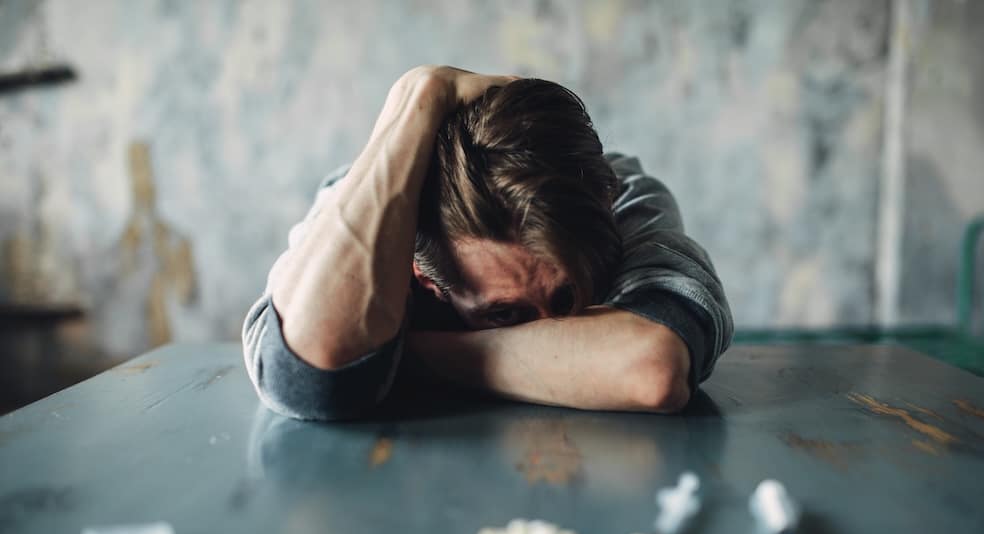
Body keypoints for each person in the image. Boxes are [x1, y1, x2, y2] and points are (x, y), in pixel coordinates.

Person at [242, 65, 733, 420]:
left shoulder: (619, 192)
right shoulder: (362, 220)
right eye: (505, 313)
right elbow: (307, 380)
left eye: (566, 296)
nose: (551, 330)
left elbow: (652, 369)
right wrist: (422, 92)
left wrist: (398, 360)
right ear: (421, 277)